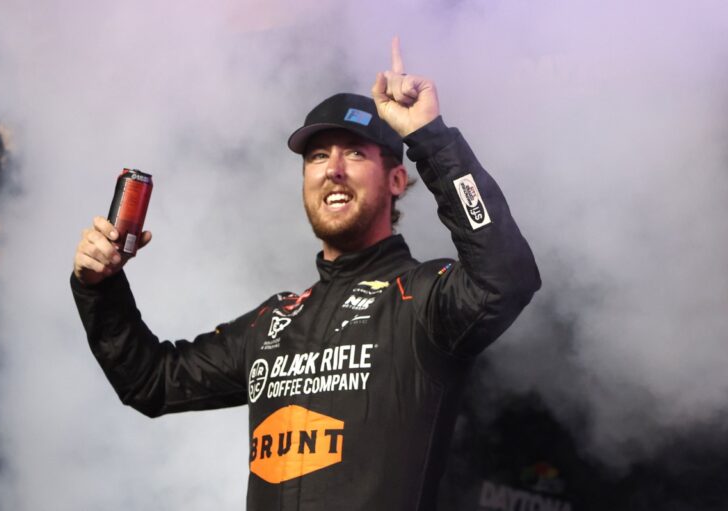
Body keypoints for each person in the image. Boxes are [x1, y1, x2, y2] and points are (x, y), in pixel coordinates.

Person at [71, 39, 540, 511]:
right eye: (316, 157)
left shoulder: (421, 298)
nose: (332, 170)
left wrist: (430, 138)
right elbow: (150, 381)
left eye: (354, 153)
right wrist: (100, 287)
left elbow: (505, 276)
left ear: (397, 179)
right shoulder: (272, 322)